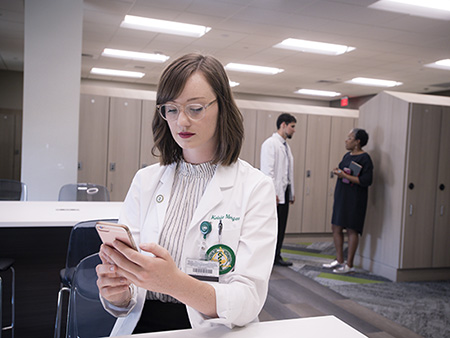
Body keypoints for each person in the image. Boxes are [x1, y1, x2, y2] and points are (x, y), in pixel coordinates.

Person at [95, 53, 277, 336]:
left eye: (195, 108)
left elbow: (248, 301)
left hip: (212, 327)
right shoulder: (145, 181)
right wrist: (117, 295)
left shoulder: (255, 187)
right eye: (171, 109)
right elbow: (129, 291)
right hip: (141, 324)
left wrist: (174, 283)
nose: (182, 121)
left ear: (223, 108)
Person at [323, 128, 373, 274]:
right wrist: (338, 173)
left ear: (358, 142)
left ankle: (349, 264)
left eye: (350, 138)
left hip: (355, 198)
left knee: (352, 229)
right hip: (342, 196)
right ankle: (339, 260)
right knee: (336, 227)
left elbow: (366, 180)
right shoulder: (347, 156)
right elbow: (343, 172)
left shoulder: (365, 159)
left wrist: (344, 175)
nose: (346, 140)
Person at [260, 113, 296, 267]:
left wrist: (291, 192)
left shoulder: (285, 146)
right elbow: (268, 172)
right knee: (272, 227)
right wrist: (272, 193)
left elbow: (288, 172)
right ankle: (269, 258)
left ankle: (277, 255)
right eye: (292, 126)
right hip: (274, 193)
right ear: (283, 125)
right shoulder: (270, 144)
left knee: (281, 226)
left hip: (285, 191)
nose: (294, 130)